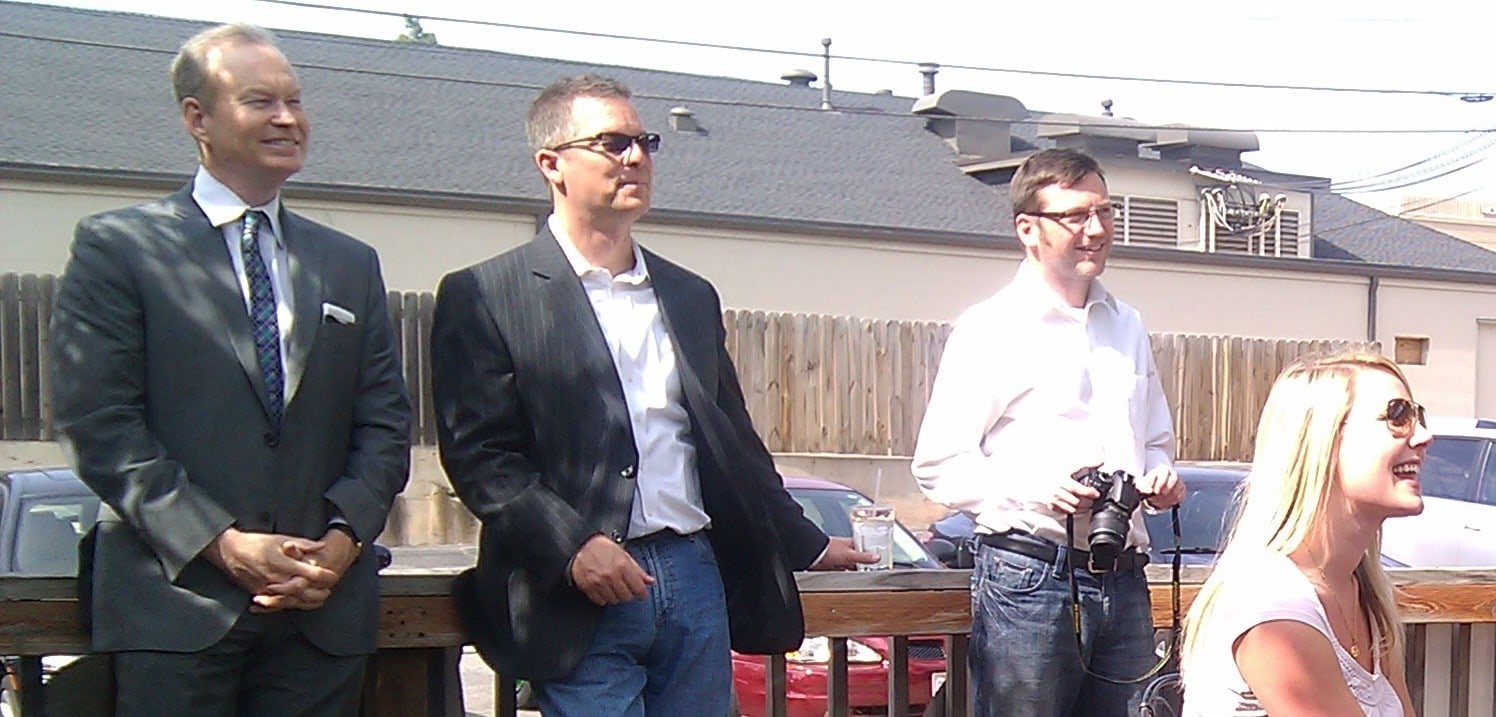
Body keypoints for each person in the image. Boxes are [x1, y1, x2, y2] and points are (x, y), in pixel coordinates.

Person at [429, 74, 873, 716]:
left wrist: (806, 541)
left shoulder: (688, 294)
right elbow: (480, 456)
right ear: (552, 164)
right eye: (612, 143)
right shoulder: (487, 295)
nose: (636, 157)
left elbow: (733, 444)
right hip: (573, 592)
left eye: (645, 141)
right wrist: (573, 545)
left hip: (694, 575)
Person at [49, 24, 411, 717]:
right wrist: (222, 542)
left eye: (295, 101)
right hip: (177, 606)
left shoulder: (348, 261)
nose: (287, 118)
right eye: (259, 101)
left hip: (319, 611)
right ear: (198, 118)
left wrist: (341, 542)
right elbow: (101, 425)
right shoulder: (119, 248)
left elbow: (386, 422)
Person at [911, 147, 1186, 716]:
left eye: (1106, 212)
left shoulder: (1127, 323)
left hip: (1124, 575)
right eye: (1076, 215)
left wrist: (1159, 478)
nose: (1097, 229)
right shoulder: (990, 327)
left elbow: (1156, 440)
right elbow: (937, 463)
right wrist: (1035, 488)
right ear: (1027, 230)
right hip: (1028, 575)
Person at [1181, 351, 1423, 716]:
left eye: (1419, 416)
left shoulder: (1364, 592)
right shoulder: (1271, 602)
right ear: (1323, 441)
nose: (1424, 435)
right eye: (1398, 416)